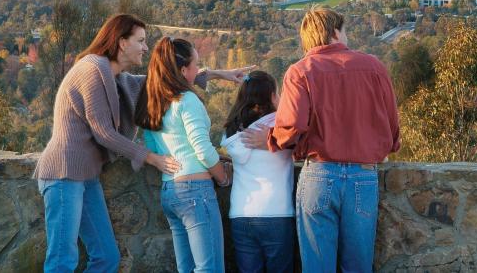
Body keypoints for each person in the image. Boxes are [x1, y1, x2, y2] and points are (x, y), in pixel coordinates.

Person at [34, 14, 251, 273]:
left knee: (106, 258)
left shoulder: (116, 78)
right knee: (61, 261)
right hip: (63, 174)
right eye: (141, 40)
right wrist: (151, 157)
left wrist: (217, 74)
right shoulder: (91, 70)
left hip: (87, 176)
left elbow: (163, 81)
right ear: (122, 42)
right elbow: (103, 132)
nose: (146, 47)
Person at [243, 7, 400, 273]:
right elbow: (392, 122)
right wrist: (387, 147)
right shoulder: (374, 66)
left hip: (320, 173)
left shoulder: (300, 71)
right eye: (345, 31)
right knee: (358, 266)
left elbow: (292, 125)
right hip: (363, 176)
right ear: (335, 32)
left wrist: (270, 139)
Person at [135, 37, 238, 273]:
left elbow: (150, 142)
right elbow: (201, 147)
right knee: (209, 268)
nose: (198, 70)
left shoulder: (155, 101)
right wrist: (222, 177)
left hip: (170, 191)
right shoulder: (187, 100)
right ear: (183, 70)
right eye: (195, 65)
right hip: (195, 193)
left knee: (187, 269)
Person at [220, 71, 294, 273]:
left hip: (241, 214)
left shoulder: (232, 129)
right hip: (277, 212)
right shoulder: (280, 127)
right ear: (271, 96)